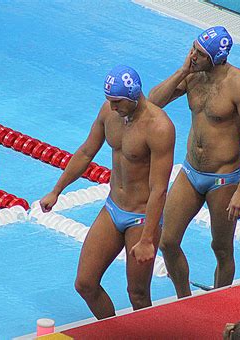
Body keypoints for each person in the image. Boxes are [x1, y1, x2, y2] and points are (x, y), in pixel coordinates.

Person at [40, 65, 175, 319]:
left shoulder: (159, 127)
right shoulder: (109, 113)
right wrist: (56, 190)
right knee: (85, 283)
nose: (112, 107)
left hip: (142, 217)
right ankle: (113, 331)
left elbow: (159, 189)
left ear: (134, 96)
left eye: (117, 102)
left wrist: (147, 239)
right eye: (109, 101)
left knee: (138, 294)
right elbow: (86, 152)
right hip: (113, 208)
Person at [149, 26, 240, 297]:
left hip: (223, 179)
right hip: (191, 171)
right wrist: (183, 71)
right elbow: (154, 103)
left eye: (199, 54)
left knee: (221, 248)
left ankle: (218, 301)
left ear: (217, 58)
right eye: (193, 48)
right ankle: (183, 299)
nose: (192, 56)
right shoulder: (193, 75)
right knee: (166, 241)